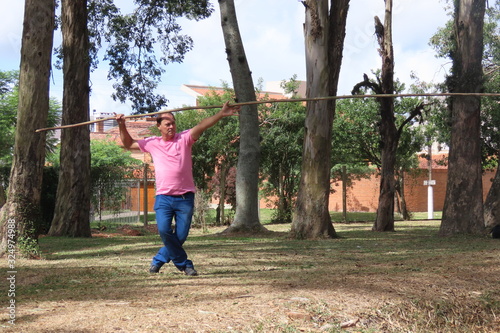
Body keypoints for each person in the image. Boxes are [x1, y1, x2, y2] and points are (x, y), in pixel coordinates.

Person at [115, 102, 239, 276]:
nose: (171, 126)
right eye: (167, 124)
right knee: (165, 231)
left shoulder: (184, 138)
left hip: (185, 198)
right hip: (164, 197)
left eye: (173, 123)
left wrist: (221, 114)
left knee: (180, 236)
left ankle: (158, 260)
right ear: (159, 126)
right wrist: (121, 124)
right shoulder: (152, 143)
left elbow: (202, 125)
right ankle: (185, 265)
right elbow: (128, 144)